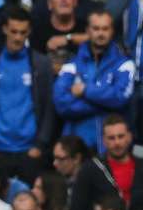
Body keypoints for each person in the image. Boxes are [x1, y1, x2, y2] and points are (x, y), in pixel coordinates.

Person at [0, 6, 57, 185]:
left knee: (30, 208)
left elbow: (50, 106)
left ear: (29, 32)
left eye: (23, 32)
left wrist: (40, 145)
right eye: (14, 32)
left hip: (30, 149)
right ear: (5, 30)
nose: (18, 37)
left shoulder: (41, 64)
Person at [52, 10, 135, 151]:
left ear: (112, 31)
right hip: (78, 148)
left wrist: (86, 90)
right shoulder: (71, 66)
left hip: (113, 148)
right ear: (87, 31)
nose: (101, 34)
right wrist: (104, 103)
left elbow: (120, 98)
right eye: (96, 29)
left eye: (105, 29)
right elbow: (61, 104)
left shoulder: (124, 65)